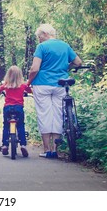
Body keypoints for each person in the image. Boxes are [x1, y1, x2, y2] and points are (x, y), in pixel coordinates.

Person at [27, 23, 82, 159]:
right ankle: (55, 150)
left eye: (39, 37)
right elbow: (78, 62)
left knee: (44, 114)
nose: (39, 40)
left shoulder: (42, 47)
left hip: (42, 84)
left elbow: (35, 69)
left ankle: (47, 150)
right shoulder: (65, 45)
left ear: (45, 34)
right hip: (60, 84)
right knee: (58, 114)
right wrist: (65, 68)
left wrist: (28, 82)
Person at [0, 66, 32, 157]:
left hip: (7, 108)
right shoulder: (23, 85)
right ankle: (23, 145)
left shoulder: (6, 85)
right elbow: (30, 91)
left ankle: (5, 145)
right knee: (20, 126)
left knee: (6, 126)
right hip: (18, 108)